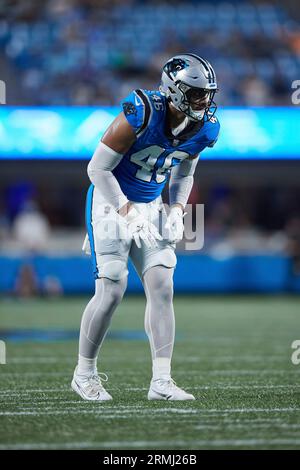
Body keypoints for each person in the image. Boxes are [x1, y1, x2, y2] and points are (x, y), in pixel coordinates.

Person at [72, 54, 220, 401]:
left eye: (207, 93)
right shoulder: (141, 113)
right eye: (196, 93)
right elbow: (97, 170)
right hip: (110, 201)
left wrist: (178, 209)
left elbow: (185, 171)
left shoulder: (205, 126)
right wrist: (126, 211)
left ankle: (162, 382)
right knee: (112, 286)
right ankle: (84, 374)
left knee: (162, 283)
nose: (204, 100)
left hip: (152, 203)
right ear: (174, 90)